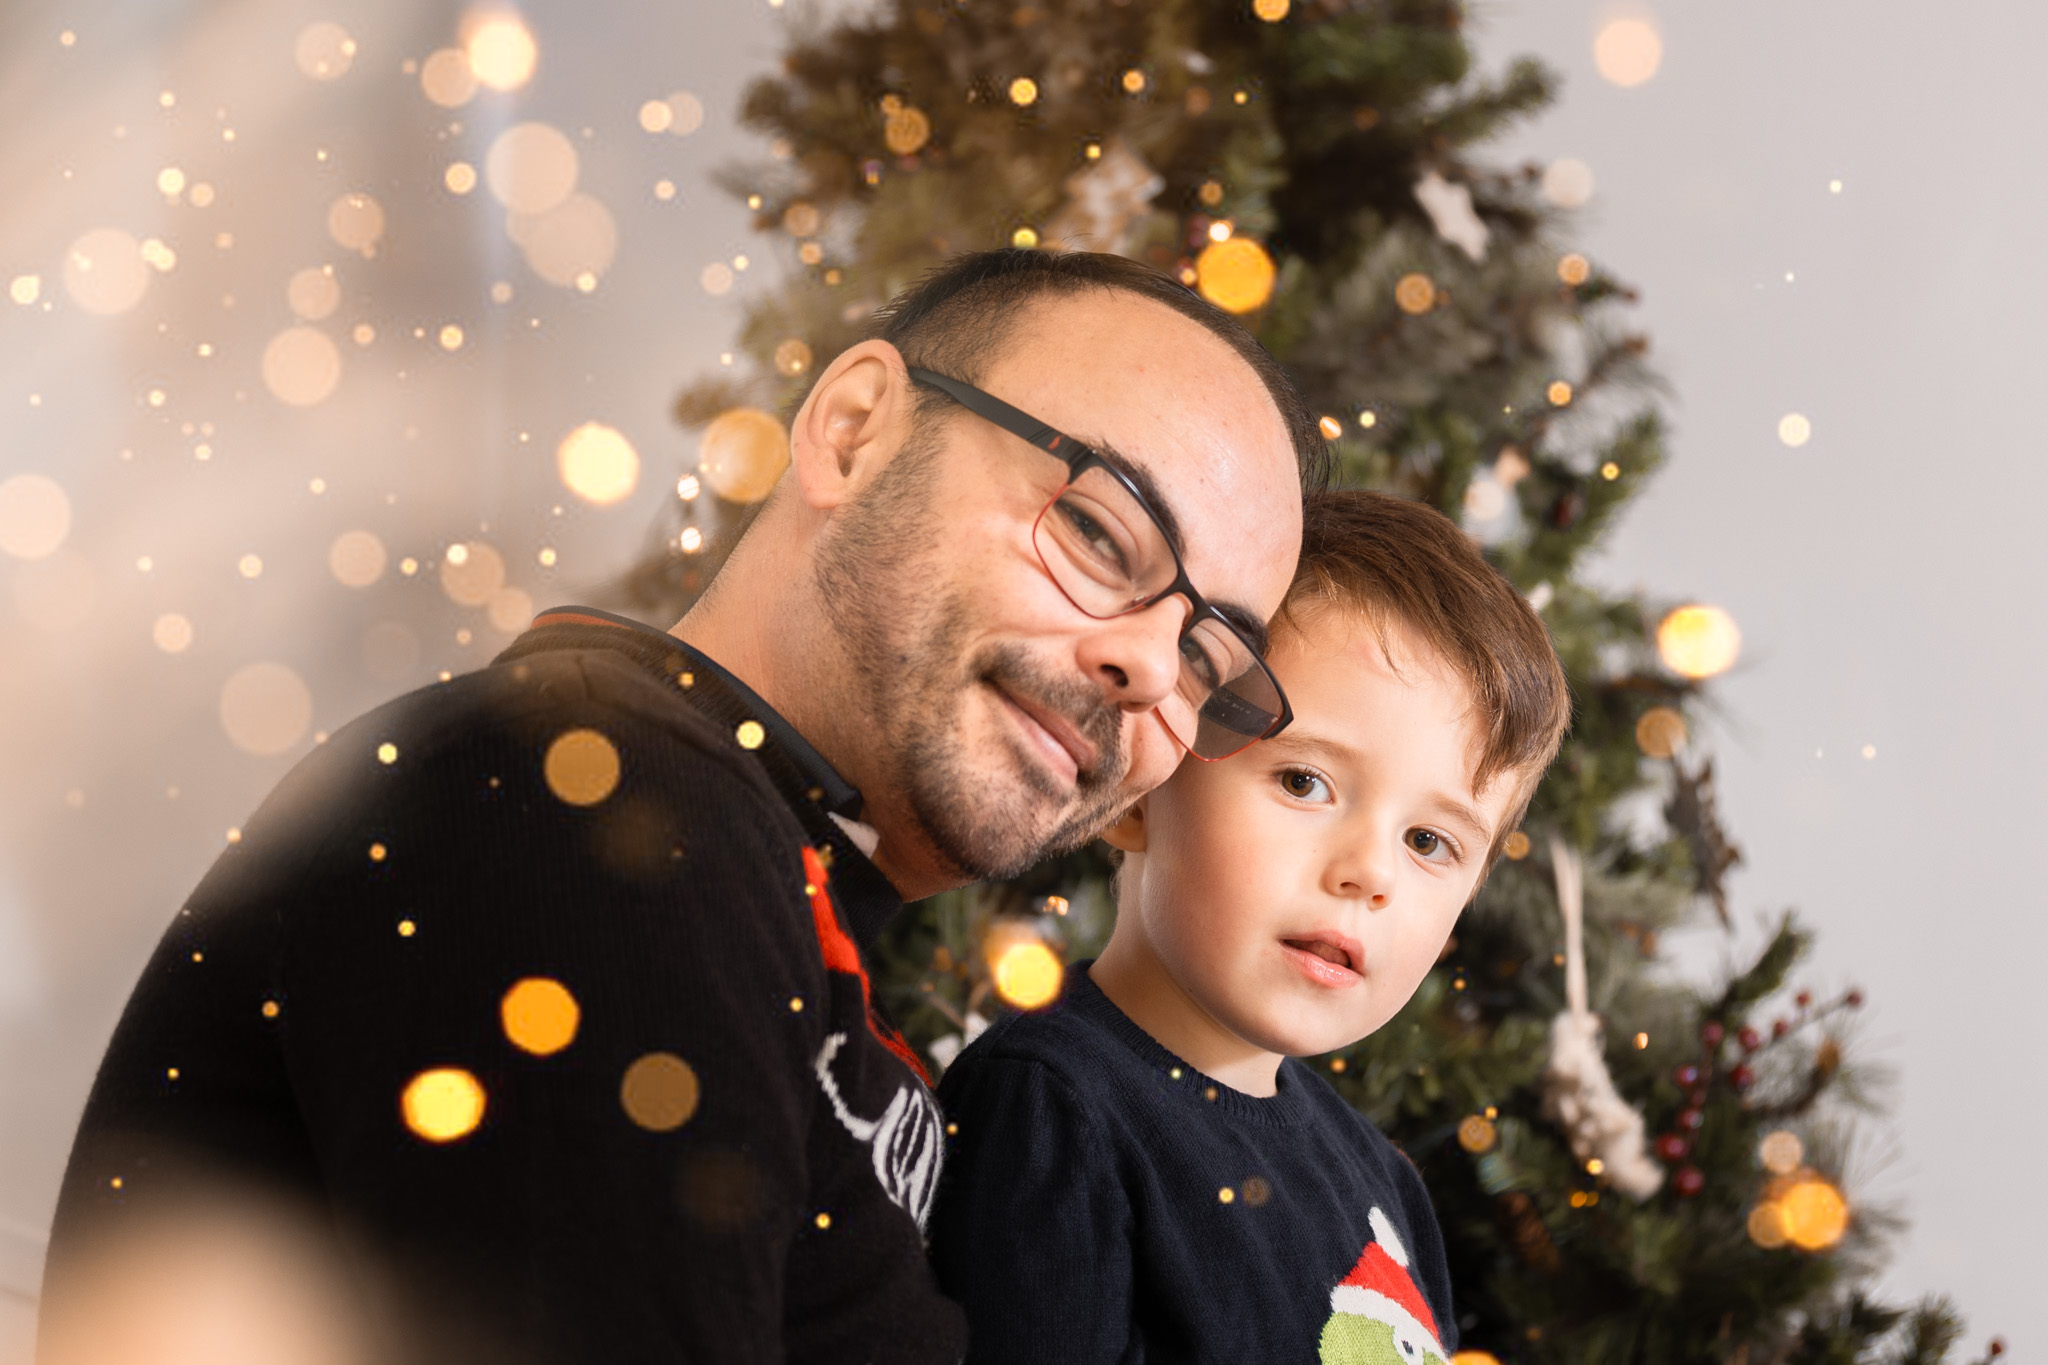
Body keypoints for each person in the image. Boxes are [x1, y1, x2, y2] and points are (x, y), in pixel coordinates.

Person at [42, 250, 1325, 1365]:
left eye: (1211, 659)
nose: (1154, 672)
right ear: (853, 428)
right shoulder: (580, 796)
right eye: (1101, 532)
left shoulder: (780, 902)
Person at [929, 489, 1573, 1364]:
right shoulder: (1053, 1108)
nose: (1370, 873)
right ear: (1143, 788)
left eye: (1430, 841)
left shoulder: (1384, 1187)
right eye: (1305, 782)